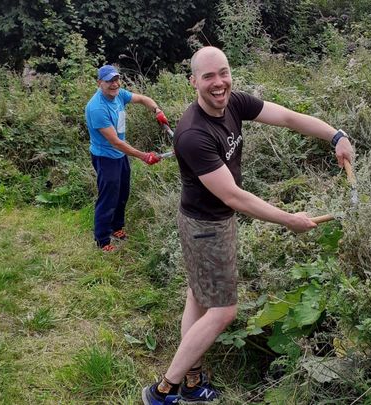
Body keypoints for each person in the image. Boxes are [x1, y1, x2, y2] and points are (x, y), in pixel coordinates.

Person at [142, 47, 355, 404]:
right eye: (208, 76)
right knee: (223, 310)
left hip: (210, 223)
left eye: (223, 73)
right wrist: (289, 220)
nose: (218, 82)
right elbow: (234, 197)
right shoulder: (193, 134)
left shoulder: (235, 103)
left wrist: (335, 136)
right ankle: (164, 389)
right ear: (193, 81)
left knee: (198, 296)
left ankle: (192, 380)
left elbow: (287, 117)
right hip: (205, 227)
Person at [85, 64, 170, 252]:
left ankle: (116, 228)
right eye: (109, 81)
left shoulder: (119, 94)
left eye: (116, 79)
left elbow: (142, 98)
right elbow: (116, 142)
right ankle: (102, 240)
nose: (114, 84)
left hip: (120, 155)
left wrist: (157, 111)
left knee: (123, 192)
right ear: (100, 83)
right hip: (105, 157)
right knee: (108, 197)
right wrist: (143, 156)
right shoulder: (96, 109)